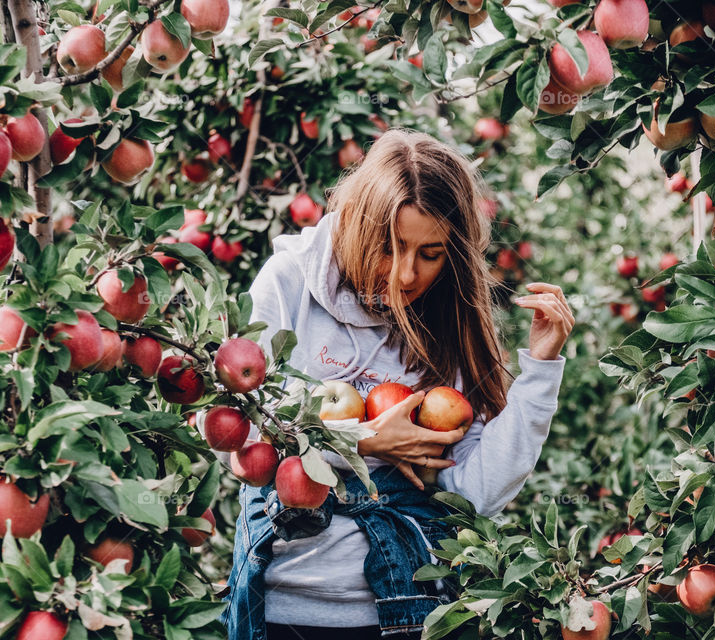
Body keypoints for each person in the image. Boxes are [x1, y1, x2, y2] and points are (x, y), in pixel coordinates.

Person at [222, 129, 573, 640]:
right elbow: (238, 447)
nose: (405, 275)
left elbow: (473, 496)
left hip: (411, 610)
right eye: (390, 247)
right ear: (360, 226)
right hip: (285, 607)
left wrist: (540, 372)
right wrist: (361, 442)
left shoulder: (446, 320)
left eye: (430, 254)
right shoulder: (288, 283)